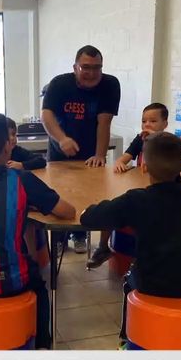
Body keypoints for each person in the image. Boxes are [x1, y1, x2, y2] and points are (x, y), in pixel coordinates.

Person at [0, 111, 76, 350]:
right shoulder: (22, 180)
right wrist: (29, 201)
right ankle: (42, 345)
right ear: (8, 145)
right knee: (40, 287)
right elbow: (67, 211)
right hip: (9, 280)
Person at [80, 132, 181, 348]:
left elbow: (94, 217)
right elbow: (173, 193)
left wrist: (87, 211)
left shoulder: (137, 199)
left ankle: (126, 339)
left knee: (129, 279)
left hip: (154, 282)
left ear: (144, 167)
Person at [41, 45, 121, 254]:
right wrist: (62, 139)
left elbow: (104, 122)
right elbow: (46, 116)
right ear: (75, 67)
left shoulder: (110, 84)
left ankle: (79, 235)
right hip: (59, 153)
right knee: (59, 195)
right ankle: (59, 238)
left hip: (90, 155)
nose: (92, 73)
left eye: (97, 67)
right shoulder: (59, 84)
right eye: (86, 67)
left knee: (88, 196)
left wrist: (100, 155)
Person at [87, 102, 170, 268]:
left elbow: (165, 167)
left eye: (153, 121)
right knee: (112, 203)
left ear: (165, 124)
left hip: (159, 193)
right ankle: (103, 247)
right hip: (139, 189)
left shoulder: (168, 143)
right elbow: (124, 158)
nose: (147, 125)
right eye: (144, 121)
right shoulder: (140, 138)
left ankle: (144, 256)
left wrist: (153, 140)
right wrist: (120, 163)